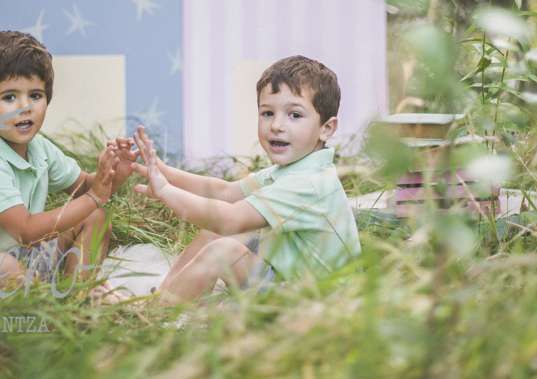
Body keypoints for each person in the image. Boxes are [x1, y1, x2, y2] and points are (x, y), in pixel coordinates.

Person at [126, 55, 361, 305]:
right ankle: (166, 295)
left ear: (326, 128)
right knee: (212, 234)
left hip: (317, 299)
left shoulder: (307, 183)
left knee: (223, 251)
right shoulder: (292, 168)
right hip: (291, 271)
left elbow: (230, 220)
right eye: (268, 113)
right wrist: (163, 171)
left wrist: (164, 191)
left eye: (294, 115)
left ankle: (157, 311)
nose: (277, 125)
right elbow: (225, 192)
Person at [0, 30, 132, 298]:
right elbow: (27, 231)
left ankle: (77, 298)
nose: (25, 107)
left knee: (95, 217)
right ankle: (46, 307)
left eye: (35, 95)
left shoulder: (40, 148)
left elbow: (86, 189)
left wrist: (111, 175)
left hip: (26, 257)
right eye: (9, 97)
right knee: (0, 264)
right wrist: (95, 195)